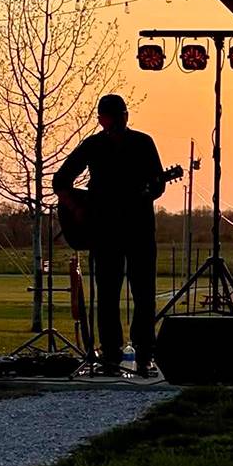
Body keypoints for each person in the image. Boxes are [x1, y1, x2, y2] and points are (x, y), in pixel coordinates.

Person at [53, 94, 165, 376]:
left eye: (122, 115)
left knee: (144, 293)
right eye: (113, 116)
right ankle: (111, 354)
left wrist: (148, 193)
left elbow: (158, 183)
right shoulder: (93, 145)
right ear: (102, 119)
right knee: (107, 294)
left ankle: (144, 354)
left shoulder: (143, 143)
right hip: (104, 231)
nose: (119, 121)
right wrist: (78, 208)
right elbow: (60, 180)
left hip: (138, 228)